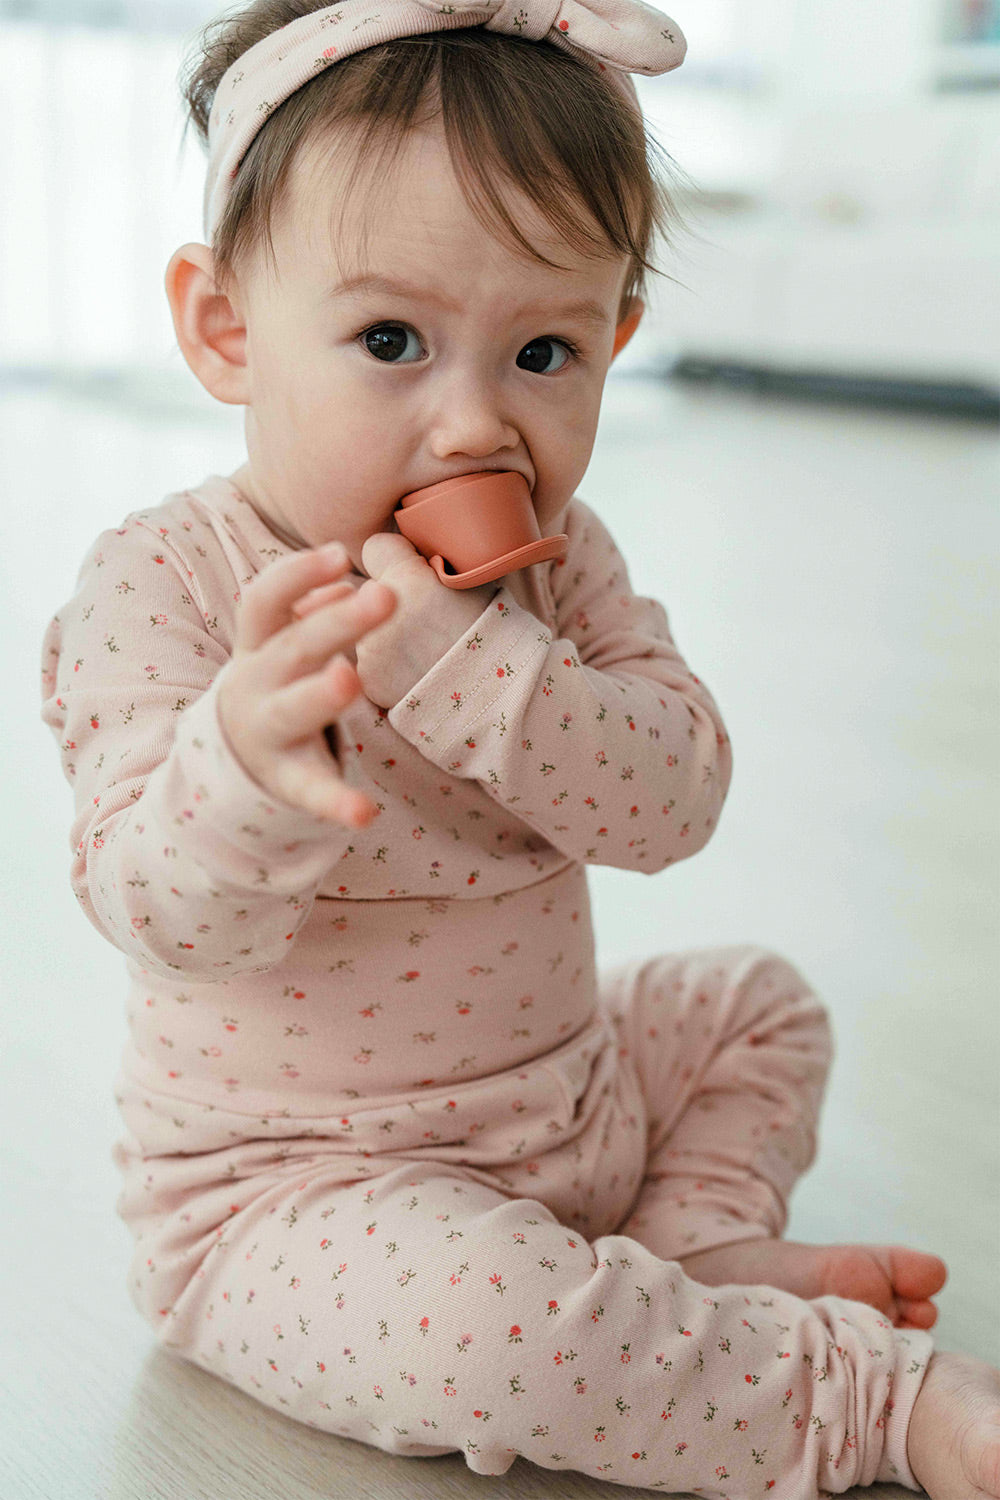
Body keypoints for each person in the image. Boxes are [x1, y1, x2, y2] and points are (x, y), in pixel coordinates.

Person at [39, 1, 999, 1495]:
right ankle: (863, 1406)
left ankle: (694, 1245)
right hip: (297, 1198)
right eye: (391, 342)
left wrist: (488, 669)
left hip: (573, 1104)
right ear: (228, 329)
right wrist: (238, 768)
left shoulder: (562, 568)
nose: (475, 424)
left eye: (544, 348)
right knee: (496, 1334)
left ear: (617, 339)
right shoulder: (162, 586)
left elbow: (674, 797)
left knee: (758, 1005)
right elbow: (153, 908)